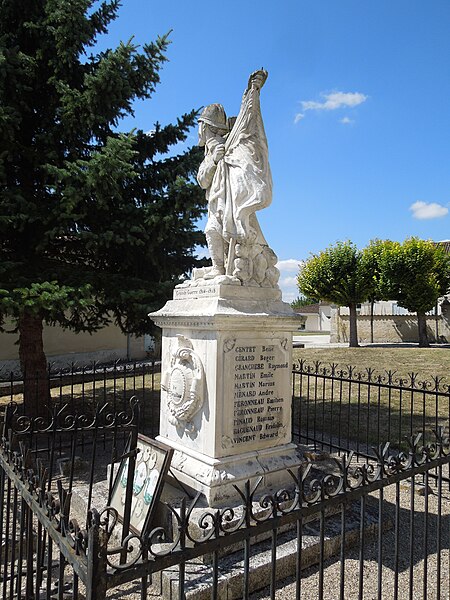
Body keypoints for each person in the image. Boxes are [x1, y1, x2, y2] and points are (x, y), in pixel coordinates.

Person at [197, 70, 278, 287]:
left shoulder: (231, 146)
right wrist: (214, 161)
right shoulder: (211, 153)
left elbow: (247, 129)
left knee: (222, 232)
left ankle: (224, 270)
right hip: (216, 200)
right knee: (212, 231)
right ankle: (218, 268)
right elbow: (202, 180)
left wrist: (252, 94)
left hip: (232, 200)